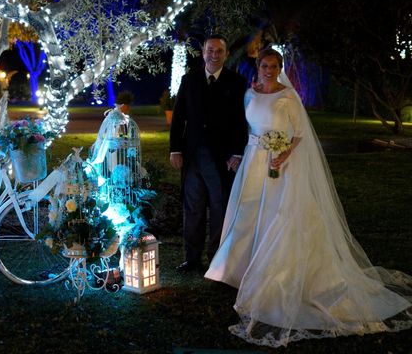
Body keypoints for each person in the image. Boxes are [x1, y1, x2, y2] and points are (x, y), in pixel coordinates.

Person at [205, 48, 412, 347]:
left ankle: (275, 275)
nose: (269, 70)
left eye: (274, 66)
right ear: (258, 66)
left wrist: (284, 153)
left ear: (279, 68)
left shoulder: (289, 97)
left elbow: (300, 133)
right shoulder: (250, 94)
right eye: (264, 65)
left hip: (278, 163)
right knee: (248, 213)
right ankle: (240, 270)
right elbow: (247, 127)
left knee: (279, 215)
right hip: (252, 163)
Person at [169, 35, 247, 273]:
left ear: (226, 54)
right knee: (192, 209)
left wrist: (237, 153)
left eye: (219, 51)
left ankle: (217, 260)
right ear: (203, 52)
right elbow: (178, 117)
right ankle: (192, 259)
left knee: (219, 208)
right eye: (210, 50)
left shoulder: (237, 82)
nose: (214, 55)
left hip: (222, 159)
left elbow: (241, 121)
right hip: (192, 156)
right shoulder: (189, 80)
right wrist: (175, 149)